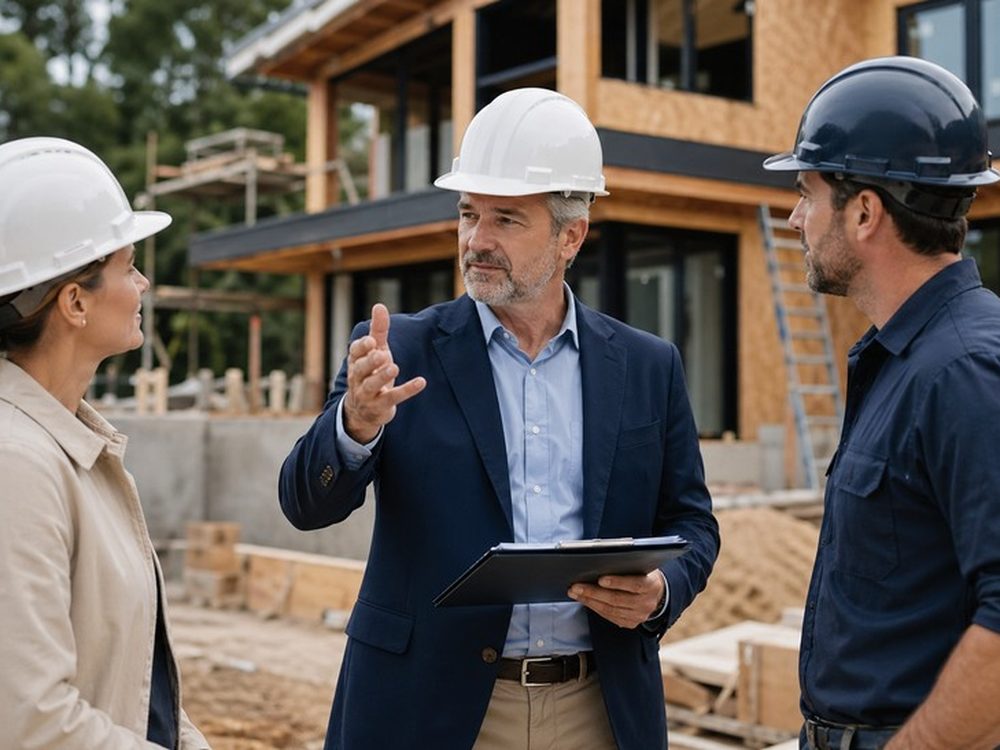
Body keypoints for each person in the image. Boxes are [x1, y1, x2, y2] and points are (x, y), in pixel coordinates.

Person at [279, 87, 719, 749]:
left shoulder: (647, 366)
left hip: (597, 711)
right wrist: (355, 424)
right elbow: (304, 505)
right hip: (430, 710)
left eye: (506, 220)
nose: (476, 240)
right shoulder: (396, 351)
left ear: (571, 235)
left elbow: (692, 522)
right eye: (467, 214)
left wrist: (661, 590)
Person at [763, 57, 1000, 750]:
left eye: (807, 191)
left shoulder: (965, 371)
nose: (794, 215)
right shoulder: (909, 357)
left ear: (865, 211)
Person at [0, 137, 210, 749]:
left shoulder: (77, 450)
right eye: (127, 265)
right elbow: (31, 721)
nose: (143, 282)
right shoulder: (18, 465)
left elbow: (136, 685)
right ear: (74, 302)